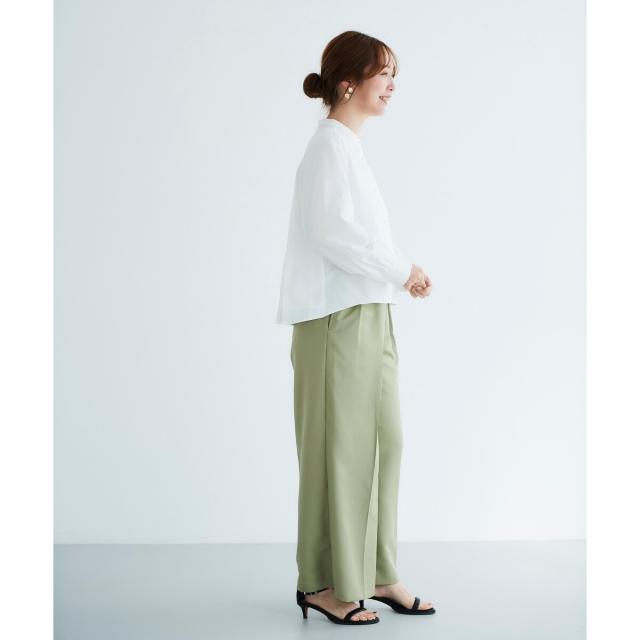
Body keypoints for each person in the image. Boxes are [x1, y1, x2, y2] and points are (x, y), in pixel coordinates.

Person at [275, 30, 435, 626]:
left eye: (394, 74)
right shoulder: (328, 148)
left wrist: (396, 277)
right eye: (383, 73)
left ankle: (377, 571)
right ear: (348, 82)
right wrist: (403, 269)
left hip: (368, 312)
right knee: (338, 453)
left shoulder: (349, 149)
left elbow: (353, 236)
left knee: (384, 443)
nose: (392, 85)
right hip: (335, 320)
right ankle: (323, 584)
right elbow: (333, 234)